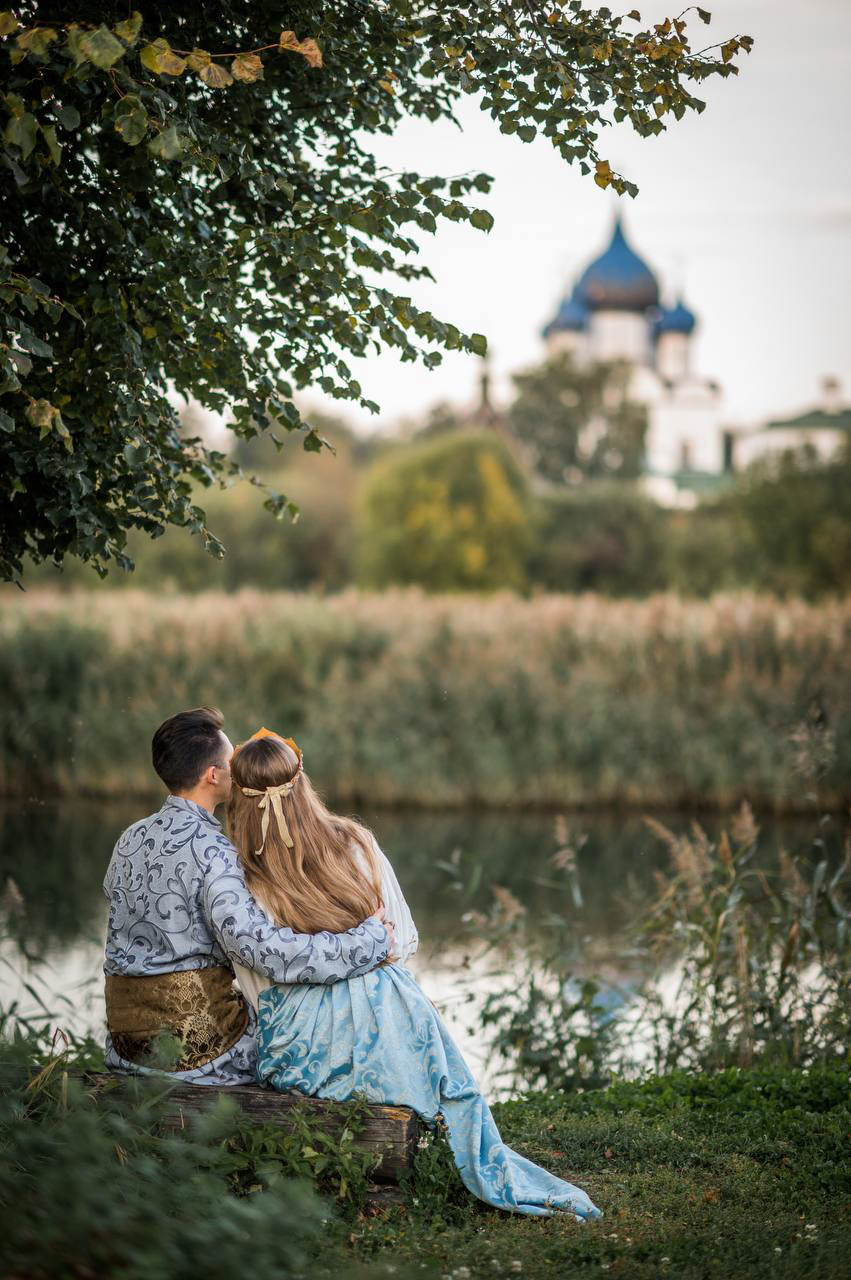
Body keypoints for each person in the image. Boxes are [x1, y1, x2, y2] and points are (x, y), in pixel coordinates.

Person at [228, 727, 602, 1219]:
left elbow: (256, 986)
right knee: (398, 1002)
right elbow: (401, 942)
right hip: (390, 1013)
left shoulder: (240, 877)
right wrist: (371, 982)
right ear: (304, 783)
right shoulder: (354, 844)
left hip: (303, 1048)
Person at [102, 707, 393, 1084]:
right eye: (231, 763)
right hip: (195, 1055)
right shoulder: (214, 852)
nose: (236, 771)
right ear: (212, 775)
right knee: (312, 1034)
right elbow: (267, 952)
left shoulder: (129, 838)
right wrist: (366, 941)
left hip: (127, 1047)